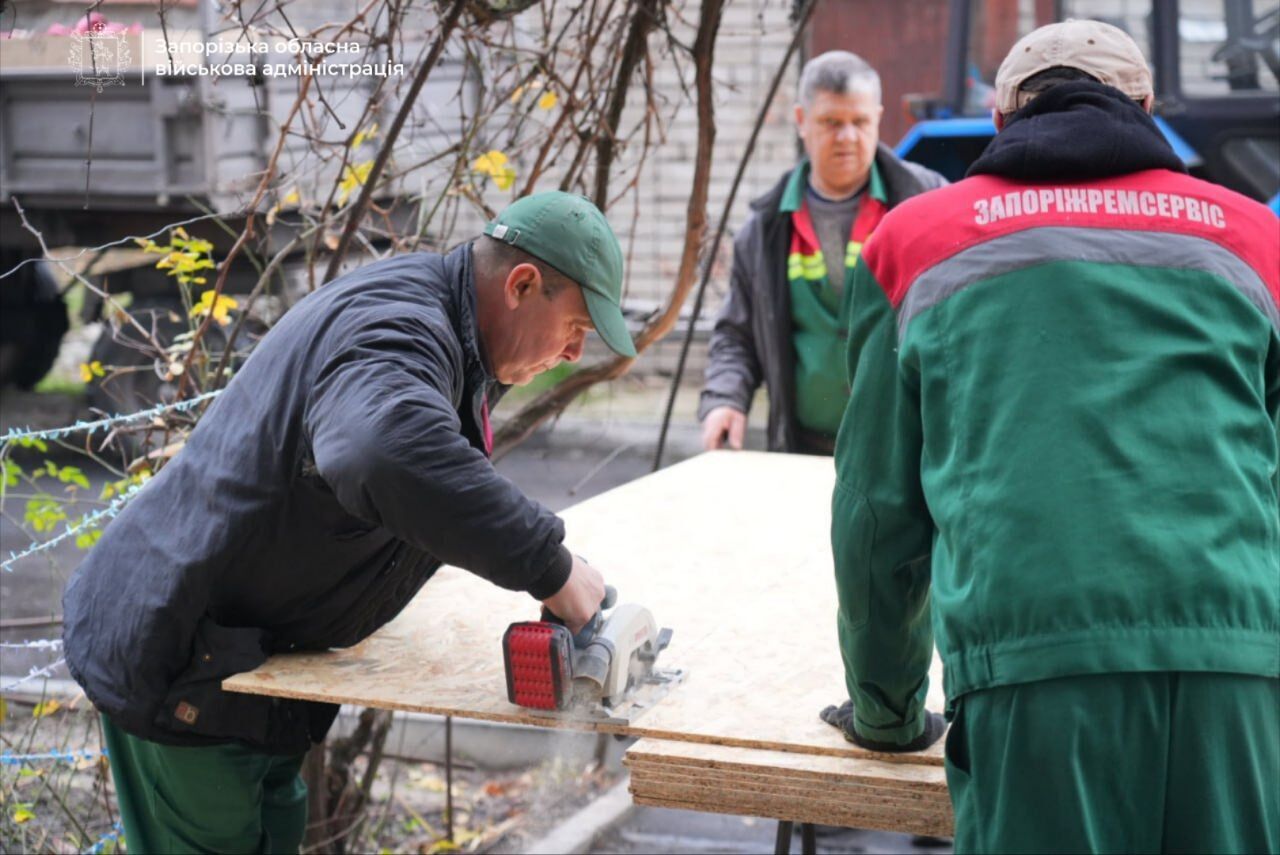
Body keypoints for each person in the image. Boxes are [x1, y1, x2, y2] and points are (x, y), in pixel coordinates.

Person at [819, 19, 1279, 853]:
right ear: (1146, 109)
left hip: (1032, 680)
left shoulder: (913, 244)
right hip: (1237, 676)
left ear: (999, 122)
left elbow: (878, 515)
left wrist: (886, 712)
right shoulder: (1259, 241)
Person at [62, 191, 638, 852]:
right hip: (182, 663)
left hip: (254, 671)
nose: (572, 354)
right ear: (523, 284)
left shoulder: (449, 332)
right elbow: (380, 451)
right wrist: (551, 566)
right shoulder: (398, 324)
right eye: (577, 327)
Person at [699, 50, 946, 455]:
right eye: (832, 122)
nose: (848, 137)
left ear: (878, 117)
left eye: (860, 122)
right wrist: (725, 399)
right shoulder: (766, 229)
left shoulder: (928, 204)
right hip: (803, 450)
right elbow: (736, 336)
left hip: (904, 454)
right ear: (801, 120)